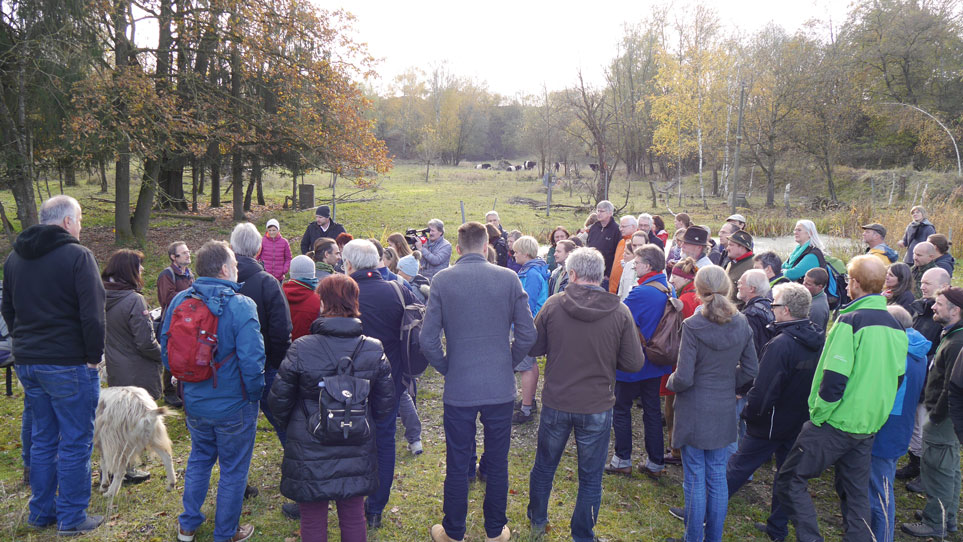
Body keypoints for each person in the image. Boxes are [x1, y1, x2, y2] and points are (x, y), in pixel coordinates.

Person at [774, 255, 907, 542]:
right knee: (854, 493)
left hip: (835, 422)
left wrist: (819, 416)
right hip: (867, 425)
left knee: (790, 479)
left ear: (855, 284)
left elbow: (834, 377)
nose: (847, 285)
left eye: (848, 280)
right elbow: (898, 377)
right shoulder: (896, 326)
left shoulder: (850, 321)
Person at [421, 221, 537, 542]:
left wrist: (448, 367)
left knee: (458, 461)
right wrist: (508, 364)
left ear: (458, 248)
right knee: (498, 462)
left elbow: (427, 339)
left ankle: (453, 532)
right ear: (487, 246)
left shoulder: (443, 280)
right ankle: (495, 531)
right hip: (499, 387)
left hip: (460, 386)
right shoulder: (509, 277)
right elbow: (527, 334)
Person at [2, 195, 106, 536]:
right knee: (76, 440)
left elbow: (8, 309)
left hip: (29, 362)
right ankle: (72, 517)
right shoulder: (78, 256)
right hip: (67, 363)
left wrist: (23, 343)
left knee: (44, 438)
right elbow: (92, 314)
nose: (81, 226)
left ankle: (41, 511)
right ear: (66, 222)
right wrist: (94, 356)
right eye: (79, 219)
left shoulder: (14, 258)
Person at [527, 247, 645, 542]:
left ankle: (538, 520)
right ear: (603, 275)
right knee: (590, 476)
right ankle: (583, 534)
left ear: (573, 274)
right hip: (596, 404)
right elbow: (633, 363)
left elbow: (533, 347)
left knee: (544, 465)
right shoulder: (619, 311)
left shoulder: (554, 305)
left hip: (557, 401)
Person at [267, 274, 395, 542]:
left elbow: (278, 401)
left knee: (312, 517)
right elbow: (385, 406)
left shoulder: (302, 347)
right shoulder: (373, 349)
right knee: (353, 514)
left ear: (323, 303)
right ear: (354, 302)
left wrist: (298, 423)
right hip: (356, 441)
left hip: (310, 444)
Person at [161, 240, 264, 542]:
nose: (236, 269)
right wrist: (255, 395)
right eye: (234, 264)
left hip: (194, 400)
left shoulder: (181, 300)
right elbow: (252, 361)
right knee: (233, 469)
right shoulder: (241, 305)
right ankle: (226, 532)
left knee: (199, 458)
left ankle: (188, 525)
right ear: (223, 269)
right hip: (234, 406)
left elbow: (167, 354)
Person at [664, 265, 758, 542]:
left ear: (698, 288)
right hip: (723, 406)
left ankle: (693, 538)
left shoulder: (692, 325)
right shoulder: (741, 322)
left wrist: (670, 383)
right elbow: (752, 369)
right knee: (717, 476)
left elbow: (684, 377)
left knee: (694, 476)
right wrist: (729, 380)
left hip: (694, 407)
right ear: (727, 288)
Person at [728, 283, 823, 542]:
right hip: (799, 421)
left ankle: (703, 512)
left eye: (775, 305)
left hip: (769, 423)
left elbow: (764, 386)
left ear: (787, 310)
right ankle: (777, 528)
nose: (771, 309)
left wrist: (749, 414)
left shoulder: (781, 344)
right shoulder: (818, 338)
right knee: (787, 475)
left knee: (736, 468)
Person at [340, 239, 418, 528]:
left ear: (348, 264)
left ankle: (353, 503)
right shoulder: (398, 289)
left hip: (348, 385)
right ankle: (375, 509)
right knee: (384, 443)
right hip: (391, 381)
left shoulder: (342, 293)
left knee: (351, 443)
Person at [900, 287, 963, 538]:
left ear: (956, 310)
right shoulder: (953, 335)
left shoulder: (958, 341)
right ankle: (946, 517)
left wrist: (935, 415)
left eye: (939, 304)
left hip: (943, 418)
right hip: (943, 416)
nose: (933, 307)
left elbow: (953, 387)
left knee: (938, 469)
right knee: (949, 467)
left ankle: (935, 522)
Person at [607, 245, 673, 479]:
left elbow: (619, 321)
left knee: (622, 409)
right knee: (652, 411)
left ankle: (622, 459)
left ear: (649, 265)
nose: (633, 265)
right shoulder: (668, 288)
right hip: (655, 362)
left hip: (634, 362)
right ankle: (655, 462)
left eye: (637, 262)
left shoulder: (641, 292)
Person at [870, 305, 929, 542]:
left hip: (886, 433)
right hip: (900, 430)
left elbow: (887, 402)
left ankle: (882, 537)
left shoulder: (898, 355)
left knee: (880, 492)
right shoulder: (917, 349)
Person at [231, 223, 293, 448]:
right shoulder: (268, 282)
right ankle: (299, 470)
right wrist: (277, 363)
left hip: (229, 365)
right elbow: (282, 329)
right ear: (258, 249)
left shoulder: (222, 281)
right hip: (265, 363)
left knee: (237, 429)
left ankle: (237, 481)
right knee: (284, 423)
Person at [898, 267, 951, 484]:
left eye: (928, 283)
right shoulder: (920, 308)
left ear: (944, 286)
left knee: (925, 426)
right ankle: (915, 463)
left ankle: (926, 474)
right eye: (922, 282)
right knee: (916, 426)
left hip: (931, 379)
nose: (922, 286)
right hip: (916, 377)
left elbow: (940, 351)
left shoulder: (944, 316)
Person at [103, 250, 163, 399]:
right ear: (128, 270)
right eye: (138, 266)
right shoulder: (134, 300)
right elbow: (145, 343)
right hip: (139, 375)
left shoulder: (98, 297)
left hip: (116, 371)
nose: (142, 269)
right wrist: (164, 355)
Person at [513, 235, 550, 425]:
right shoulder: (531, 270)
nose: (514, 255)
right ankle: (530, 401)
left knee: (525, 367)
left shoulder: (532, 274)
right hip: (530, 325)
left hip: (527, 326)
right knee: (530, 365)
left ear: (526, 253)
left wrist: (519, 326)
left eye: (516, 251)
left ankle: (526, 409)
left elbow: (528, 304)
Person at [158, 241, 194, 407]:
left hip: (188, 321)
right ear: (173, 257)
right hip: (172, 321)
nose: (188, 254)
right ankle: (169, 392)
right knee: (171, 354)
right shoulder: (167, 275)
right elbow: (168, 298)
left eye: (188, 251)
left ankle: (181, 388)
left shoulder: (189, 274)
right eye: (184, 252)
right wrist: (190, 295)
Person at [736, 270, 774, 359]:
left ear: (751, 288)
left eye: (741, 283)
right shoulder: (771, 306)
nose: (738, 286)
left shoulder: (749, 315)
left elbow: (751, 351)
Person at [282, 255, 321, 341]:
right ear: (313, 274)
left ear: (291, 273)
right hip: (308, 351)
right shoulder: (319, 301)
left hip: (282, 350)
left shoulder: (278, 296)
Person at [587, 200, 621, 286]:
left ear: (610, 213)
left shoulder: (616, 230)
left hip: (606, 276)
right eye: (598, 211)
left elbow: (617, 254)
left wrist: (609, 274)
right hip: (590, 273)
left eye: (602, 211)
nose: (599, 213)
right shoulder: (594, 228)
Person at [725, 230, 755, 308]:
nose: (727, 248)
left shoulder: (753, 267)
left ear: (742, 247)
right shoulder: (731, 263)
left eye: (731, 245)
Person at [608, 216, 638, 293]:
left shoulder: (637, 244)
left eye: (623, 226)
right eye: (620, 226)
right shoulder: (621, 242)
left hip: (625, 288)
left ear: (633, 227)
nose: (620, 229)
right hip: (613, 288)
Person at [617, 231, 649, 301]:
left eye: (640, 245)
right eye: (634, 245)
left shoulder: (653, 266)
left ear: (647, 245)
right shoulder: (628, 265)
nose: (637, 248)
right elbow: (620, 291)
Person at [803, 267, 831, 331]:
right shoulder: (816, 295)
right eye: (804, 281)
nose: (803, 285)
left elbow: (812, 334)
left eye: (808, 284)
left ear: (819, 287)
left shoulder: (816, 308)